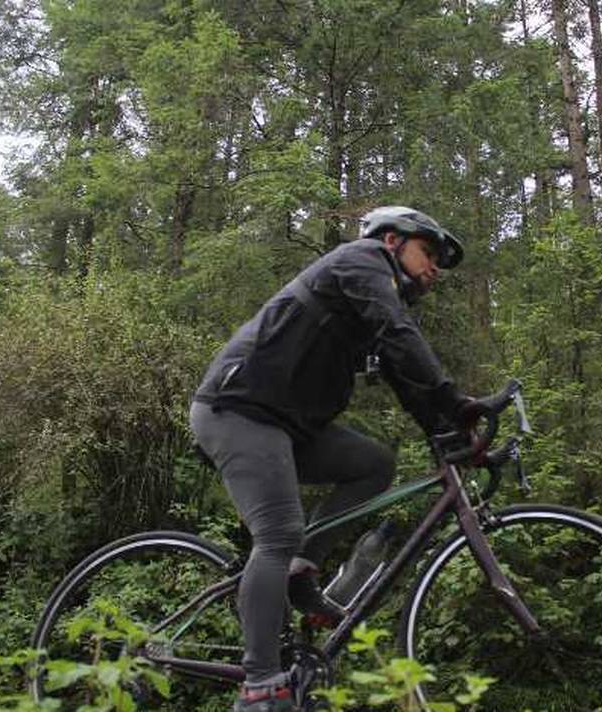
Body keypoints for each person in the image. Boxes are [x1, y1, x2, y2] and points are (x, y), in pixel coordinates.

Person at [189, 206, 478, 712]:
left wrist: (448, 432)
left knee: (373, 465)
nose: (433, 268)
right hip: (238, 410)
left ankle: (302, 569)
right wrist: (454, 400)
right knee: (276, 532)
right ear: (392, 241)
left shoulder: (370, 305)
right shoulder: (361, 260)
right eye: (427, 253)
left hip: (288, 425)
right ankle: (258, 685)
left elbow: (407, 382)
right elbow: (401, 334)